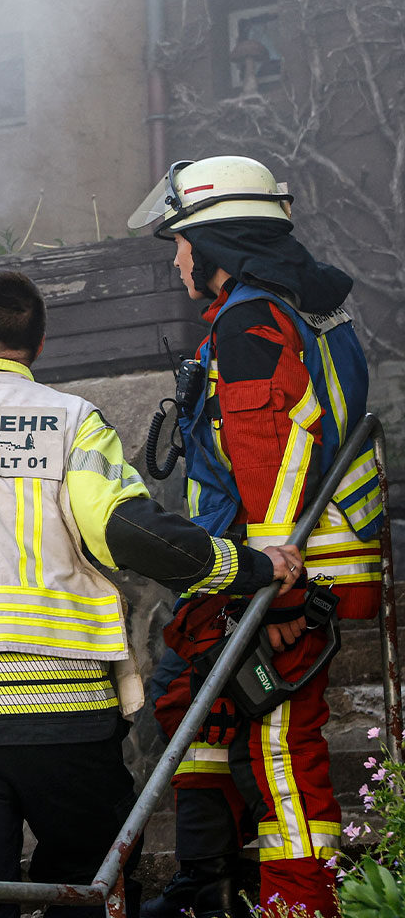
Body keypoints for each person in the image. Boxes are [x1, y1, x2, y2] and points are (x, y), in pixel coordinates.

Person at [0, 269, 301, 918]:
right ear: (40, 346)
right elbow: (125, 531)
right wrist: (250, 568)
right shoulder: (68, 421)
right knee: (83, 890)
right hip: (62, 714)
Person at [127, 156, 383, 918]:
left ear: (213, 241)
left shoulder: (251, 321)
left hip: (282, 567)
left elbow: (272, 456)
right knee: (187, 693)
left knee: (280, 746)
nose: (176, 259)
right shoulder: (297, 307)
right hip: (261, 562)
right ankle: (206, 878)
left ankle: (299, 903)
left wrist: (276, 594)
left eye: (179, 242)